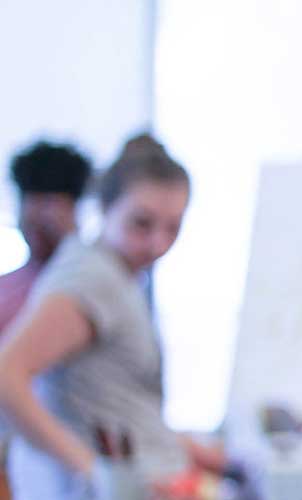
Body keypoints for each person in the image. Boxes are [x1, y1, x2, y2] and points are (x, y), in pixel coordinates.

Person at [0, 134, 225, 498]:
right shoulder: (92, 277)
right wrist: (96, 470)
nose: (158, 244)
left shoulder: (121, 277)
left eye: (173, 228)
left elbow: (119, 403)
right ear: (106, 208)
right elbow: (6, 376)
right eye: (142, 223)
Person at [0, 141, 94, 500]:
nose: (41, 215)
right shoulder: (6, 290)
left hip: (75, 460)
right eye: (33, 201)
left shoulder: (94, 288)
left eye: (53, 203)